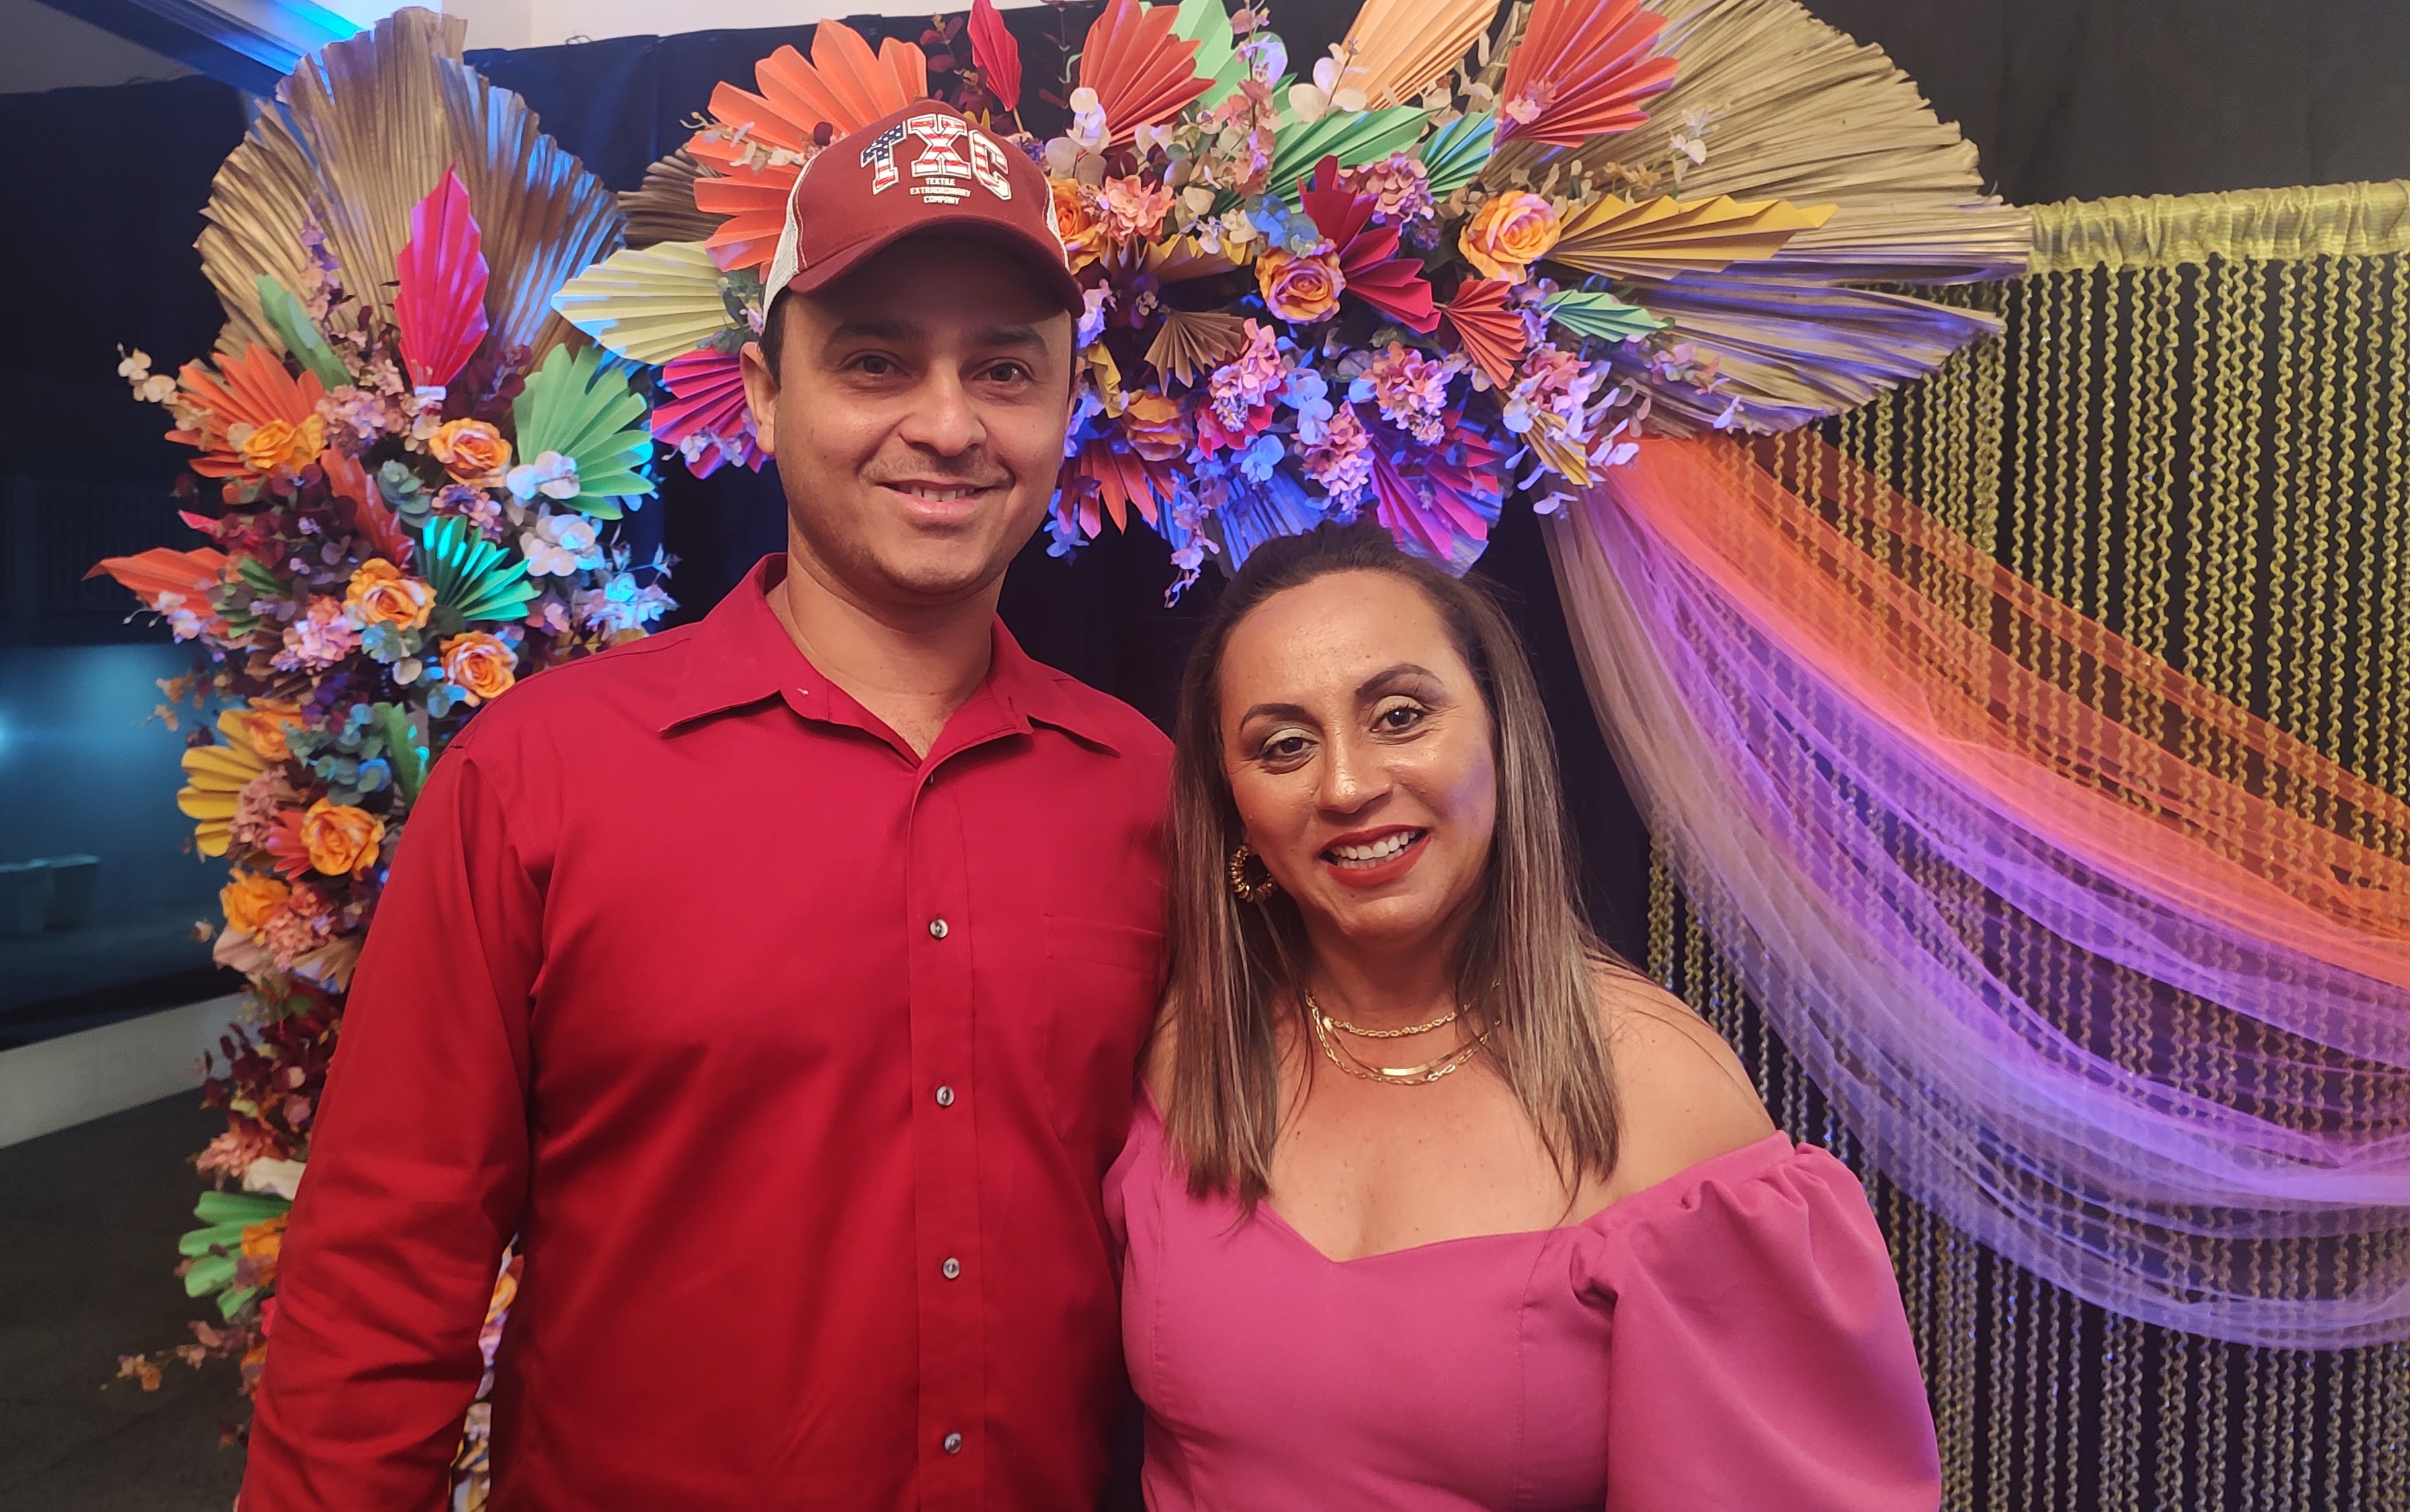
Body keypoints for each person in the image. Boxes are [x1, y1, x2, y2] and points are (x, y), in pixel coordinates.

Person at [243, 100, 1170, 1510]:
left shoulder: (1143, 792)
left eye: (1002, 369)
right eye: (874, 361)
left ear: (1062, 407)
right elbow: (382, 1274)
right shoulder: (538, 777)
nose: (946, 424)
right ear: (763, 393)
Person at [1112, 523, 1940, 1510]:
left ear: (1501, 736)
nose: (1348, 786)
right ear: (1233, 804)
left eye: (1400, 716)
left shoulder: (1659, 1092)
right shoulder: (1189, 1048)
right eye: (1284, 745)